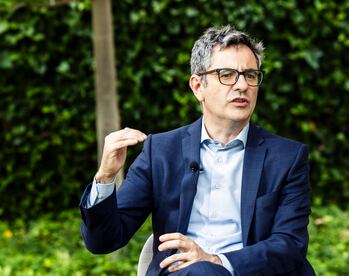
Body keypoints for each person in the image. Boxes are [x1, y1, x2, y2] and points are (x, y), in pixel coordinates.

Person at [80, 25, 315, 276]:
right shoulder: (161, 151)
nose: (242, 85)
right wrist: (105, 178)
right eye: (226, 74)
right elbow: (103, 241)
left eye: (250, 75)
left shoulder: (287, 157)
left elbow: (290, 244)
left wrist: (217, 260)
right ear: (197, 86)